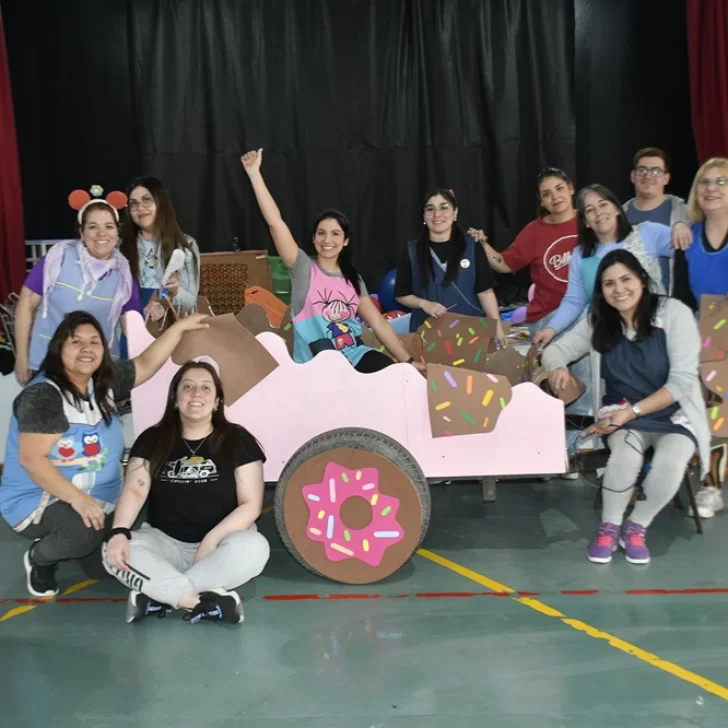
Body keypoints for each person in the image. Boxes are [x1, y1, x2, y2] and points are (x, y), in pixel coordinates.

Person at [0, 310, 210, 597]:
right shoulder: (44, 396)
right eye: (76, 342)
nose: (87, 349)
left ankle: (78, 544)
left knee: (109, 561)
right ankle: (40, 557)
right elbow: (31, 460)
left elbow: (147, 363)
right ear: (59, 348)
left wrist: (181, 327)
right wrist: (79, 500)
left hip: (98, 497)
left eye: (95, 341)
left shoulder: (104, 382)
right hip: (39, 497)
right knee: (84, 533)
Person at [543, 250, 709, 564]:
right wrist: (558, 367)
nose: (618, 289)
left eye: (626, 280)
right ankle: (610, 526)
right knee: (625, 457)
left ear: (642, 281)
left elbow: (682, 383)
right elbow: (556, 350)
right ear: (601, 291)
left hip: (674, 415)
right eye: (609, 284)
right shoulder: (599, 320)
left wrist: (631, 412)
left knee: (670, 465)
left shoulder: (674, 313)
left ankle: (637, 525)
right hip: (622, 416)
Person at [103, 361, 270, 625]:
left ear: (216, 401)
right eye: (188, 386)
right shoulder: (152, 439)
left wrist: (210, 541)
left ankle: (158, 595)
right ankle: (198, 600)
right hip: (164, 542)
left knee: (255, 548)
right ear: (175, 399)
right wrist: (118, 532)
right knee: (112, 551)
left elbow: (251, 505)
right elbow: (134, 490)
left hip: (221, 545)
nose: (196, 393)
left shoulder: (239, 440)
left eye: (206, 387)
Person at [240, 148, 423, 373]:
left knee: (390, 377)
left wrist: (409, 362)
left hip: (356, 355)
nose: (328, 239)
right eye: (321, 233)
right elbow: (275, 223)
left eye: (335, 234)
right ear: (314, 240)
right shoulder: (303, 268)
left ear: (346, 241)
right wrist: (254, 174)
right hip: (317, 365)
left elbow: (378, 323)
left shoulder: (352, 278)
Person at [533, 184, 687, 350]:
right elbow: (574, 300)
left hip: (655, 333)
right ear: (585, 222)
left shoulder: (647, 232)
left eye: (603, 204)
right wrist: (551, 328)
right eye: (590, 209)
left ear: (617, 209)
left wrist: (680, 225)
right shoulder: (581, 255)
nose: (599, 213)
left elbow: (691, 250)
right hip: (609, 339)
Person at [14, 197, 141, 384]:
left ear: (117, 233)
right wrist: (22, 357)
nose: (101, 233)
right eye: (92, 226)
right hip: (47, 363)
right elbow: (26, 304)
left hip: (94, 369)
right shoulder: (58, 258)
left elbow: (132, 328)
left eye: (109, 226)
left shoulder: (124, 276)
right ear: (82, 232)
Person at [672, 157, 728, 518]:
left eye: (721, 181)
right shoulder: (686, 238)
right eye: (705, 182)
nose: (711, 188)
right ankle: (711, 486)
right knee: (713, 409)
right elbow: (680, 300)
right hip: (708, 334)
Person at [393, 188, 507, 345]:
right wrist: (424, 304)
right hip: (427, 336)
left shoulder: (472, 246)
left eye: (444, 207)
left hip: (470, 334)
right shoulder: (412, 250)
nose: (437, 214)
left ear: (455, 213)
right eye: (430, 209)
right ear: (424, 215)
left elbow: (485, 291)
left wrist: (497, 327)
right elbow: (401, 294)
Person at [479, 167, 578, 336]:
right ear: (541, 201)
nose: (555, 197)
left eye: (559, 188)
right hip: (547, 317)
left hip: (585, 313)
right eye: (547, 194)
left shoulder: (589, 221)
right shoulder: (534, 232)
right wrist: (483, 244)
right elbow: (504, 264)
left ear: (571, 188)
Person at [119, 176, 200, 318]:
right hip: (131, 327)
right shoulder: (121, 247)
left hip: (171, 329)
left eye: (147, 200)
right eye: (133, 204)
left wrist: (176, 291)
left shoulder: (186, 245)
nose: (140, 208)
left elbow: (191, 301)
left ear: (161, 202)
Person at [622, 147, 692, 287]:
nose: (648, 176)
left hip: (674, 302)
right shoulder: (619, 217)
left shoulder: (686, 214)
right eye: (642, 170)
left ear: (666, 178)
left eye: (656, 171)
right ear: (633, 176)